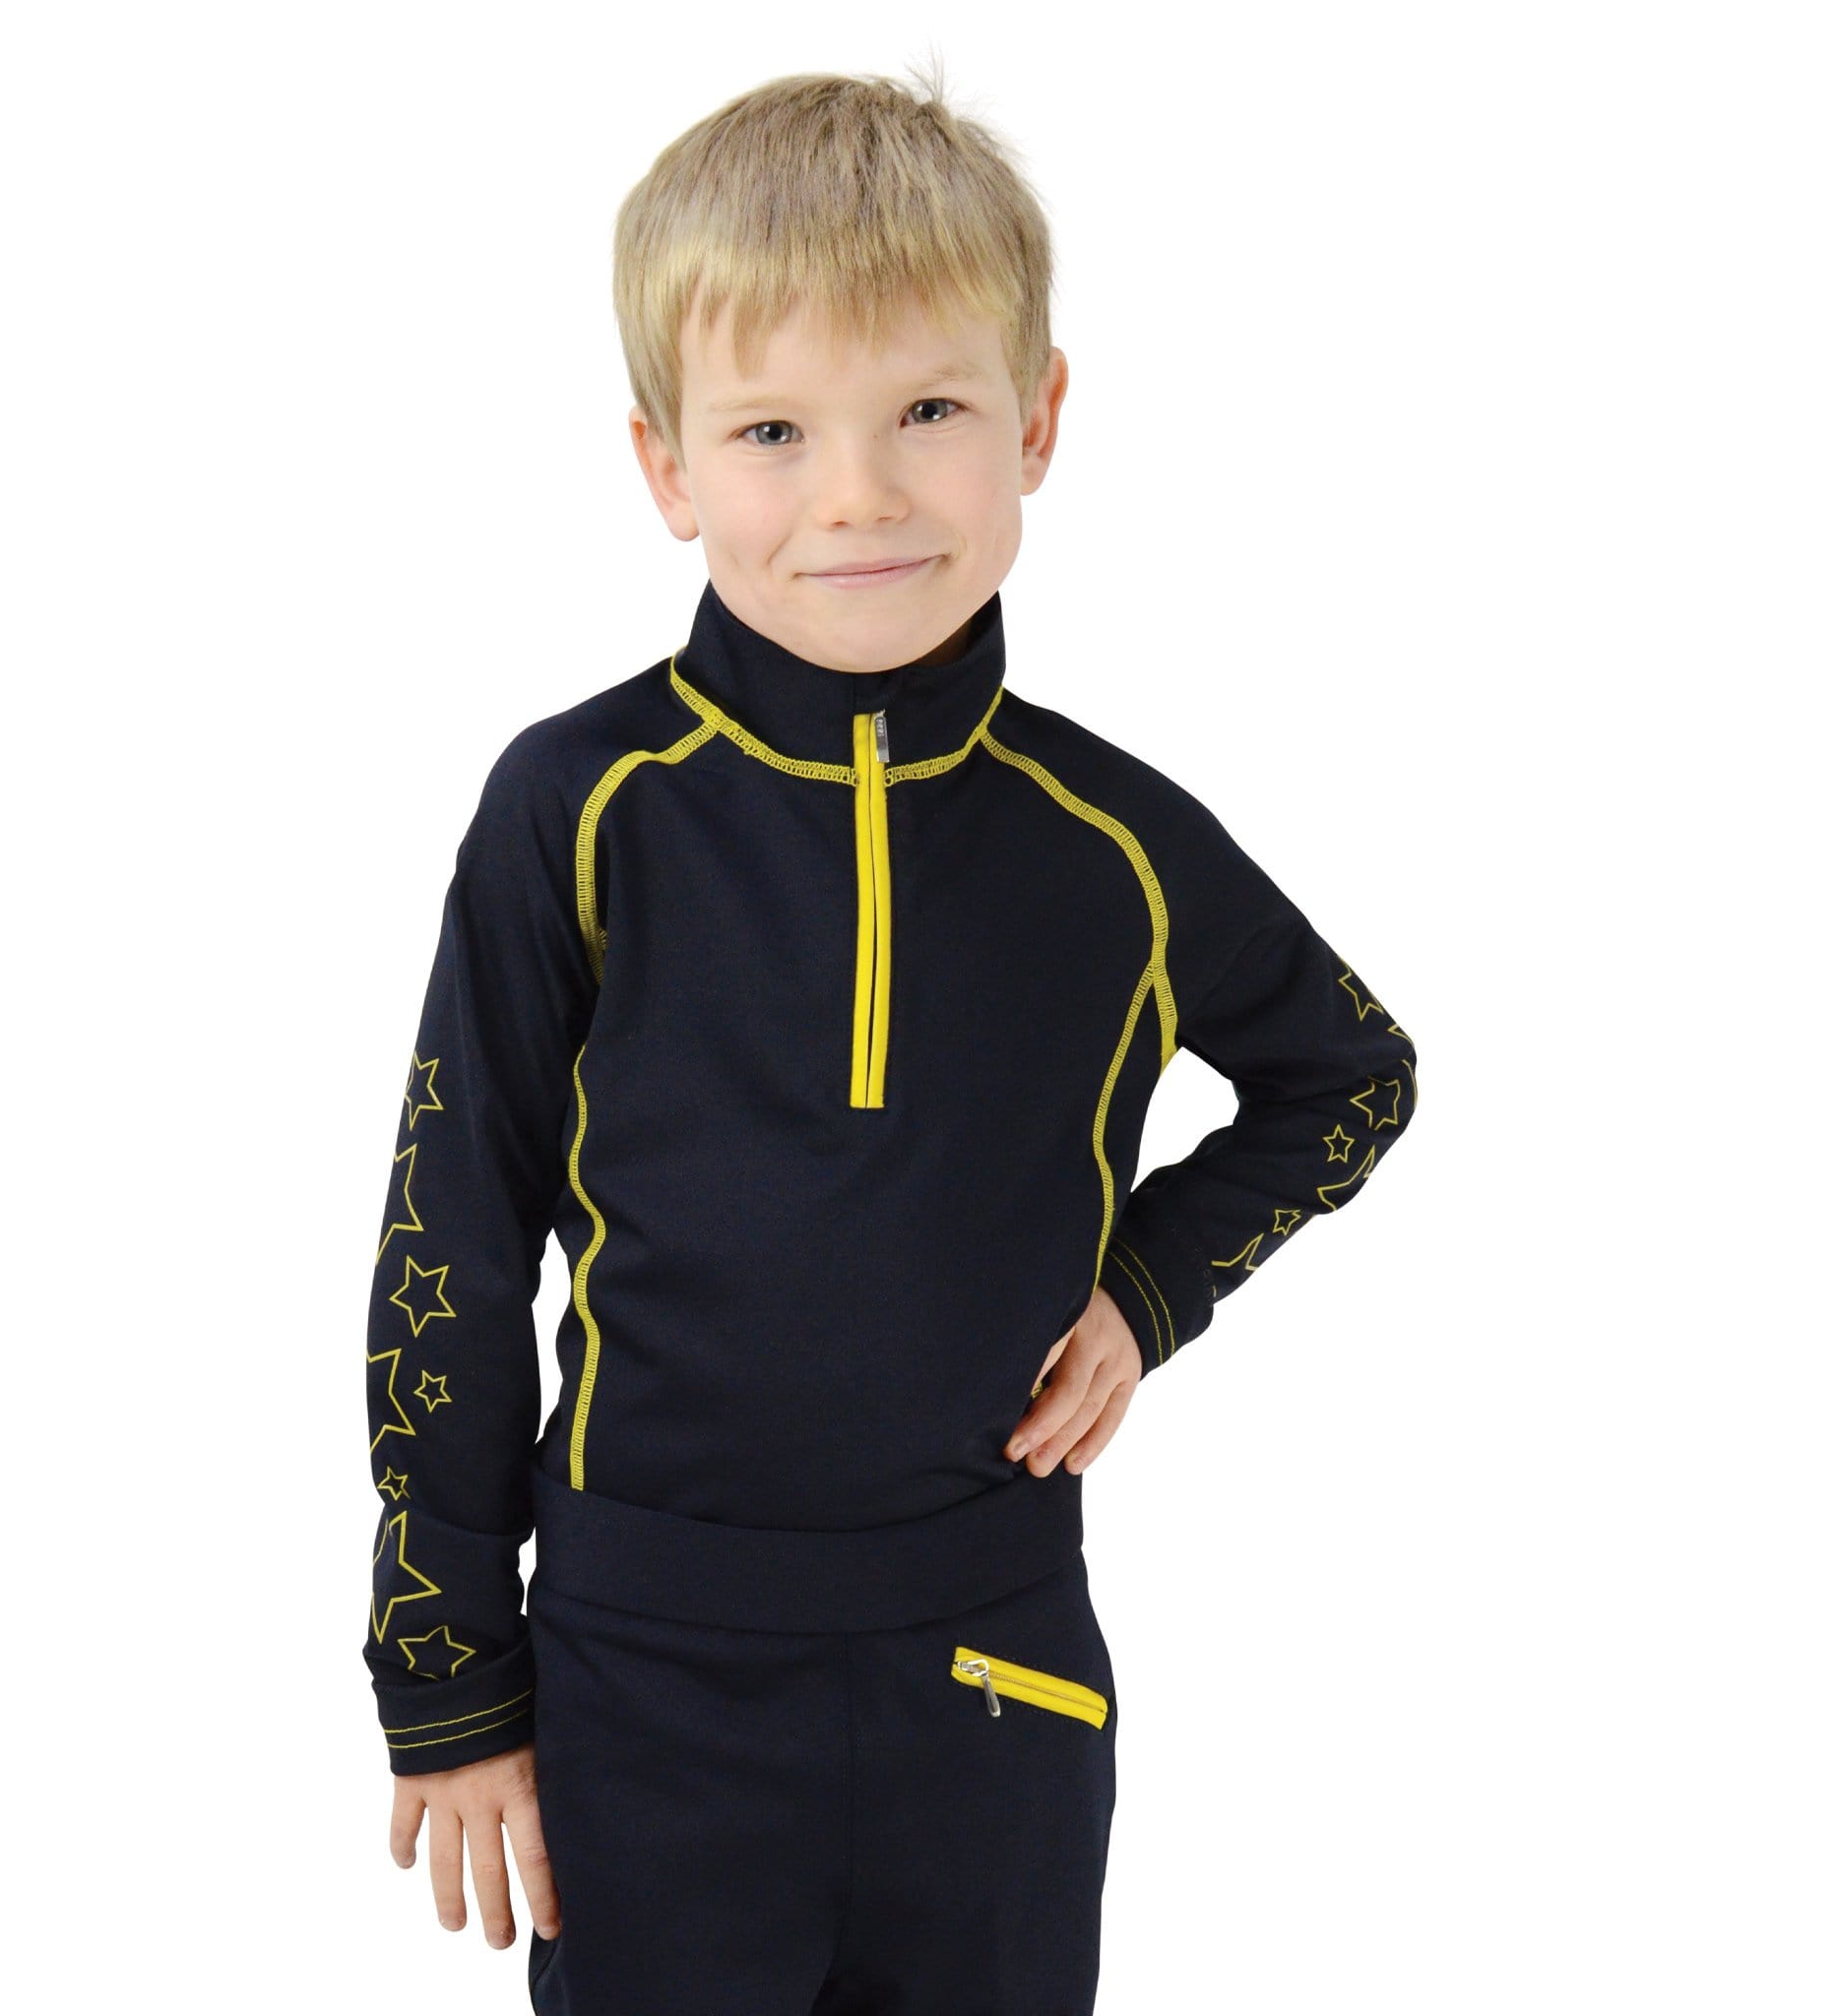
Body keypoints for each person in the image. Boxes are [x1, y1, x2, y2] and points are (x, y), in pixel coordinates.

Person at [362, 60, 1420, 2016]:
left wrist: (1146, 1296)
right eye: (772, 429)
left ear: (1038, 420)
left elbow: (1349, 1074)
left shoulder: (1115, 843)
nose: (856, 492)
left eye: (927, 411)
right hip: (642, 1680)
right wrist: (446, 1673)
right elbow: (453, 1236)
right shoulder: (577, 812)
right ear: (668, 468)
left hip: (992, 1674)